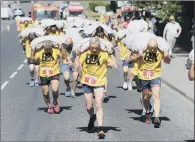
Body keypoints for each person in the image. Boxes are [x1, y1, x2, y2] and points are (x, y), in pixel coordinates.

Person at [76, 37, 118, 138]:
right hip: (86, 82)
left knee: (99, 105)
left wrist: (111, 53)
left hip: (99, 82)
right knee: (89, 107)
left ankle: (100, 128)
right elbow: (77, 67)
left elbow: (115, 66)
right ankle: (92, 117)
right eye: (92, 48)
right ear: (89, 46)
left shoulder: (104, 54)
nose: (94, 50)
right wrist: (77, 56)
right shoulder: (84, 53)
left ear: (99, 46)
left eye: (96, 48)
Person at [126, 38, 171, 127]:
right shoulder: (142, 49)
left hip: (155, 75)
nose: (152, 49)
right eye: (150, 47)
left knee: (156, 95)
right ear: (147, 45)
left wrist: (167, 57)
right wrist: (139, 56)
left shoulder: (160, 50)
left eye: (154, 47)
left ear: (157, 46)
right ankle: (147, 111)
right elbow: (130, 60)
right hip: (143, 76)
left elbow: (168, 61)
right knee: (146, 96)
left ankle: (157, 117)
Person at [32, 40, 61, 114]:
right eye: (46, 49)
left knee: (55, 89)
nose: (48, 50)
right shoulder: (40, 52)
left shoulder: (55, 50)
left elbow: (63, 55)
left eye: (49, 49)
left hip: (54, 72)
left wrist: (62, 48)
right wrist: (33, 52)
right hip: (43, 75)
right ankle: (49, 106)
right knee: (45, 93)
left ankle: (55, 103)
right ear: (44, 47)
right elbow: (33, 60)